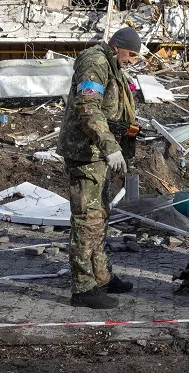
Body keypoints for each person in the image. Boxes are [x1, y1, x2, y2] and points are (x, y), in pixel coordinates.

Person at [58, 27, 143, 309]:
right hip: (87, 152)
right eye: (131, 54)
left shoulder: (111, 63)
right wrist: (110, 145)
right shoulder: (95, 62)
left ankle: (100, 276)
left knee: (100, 215)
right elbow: (89, 107)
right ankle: (83, 288)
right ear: (117, 46)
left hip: (97, 153)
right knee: (87, 219)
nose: (132, 60)